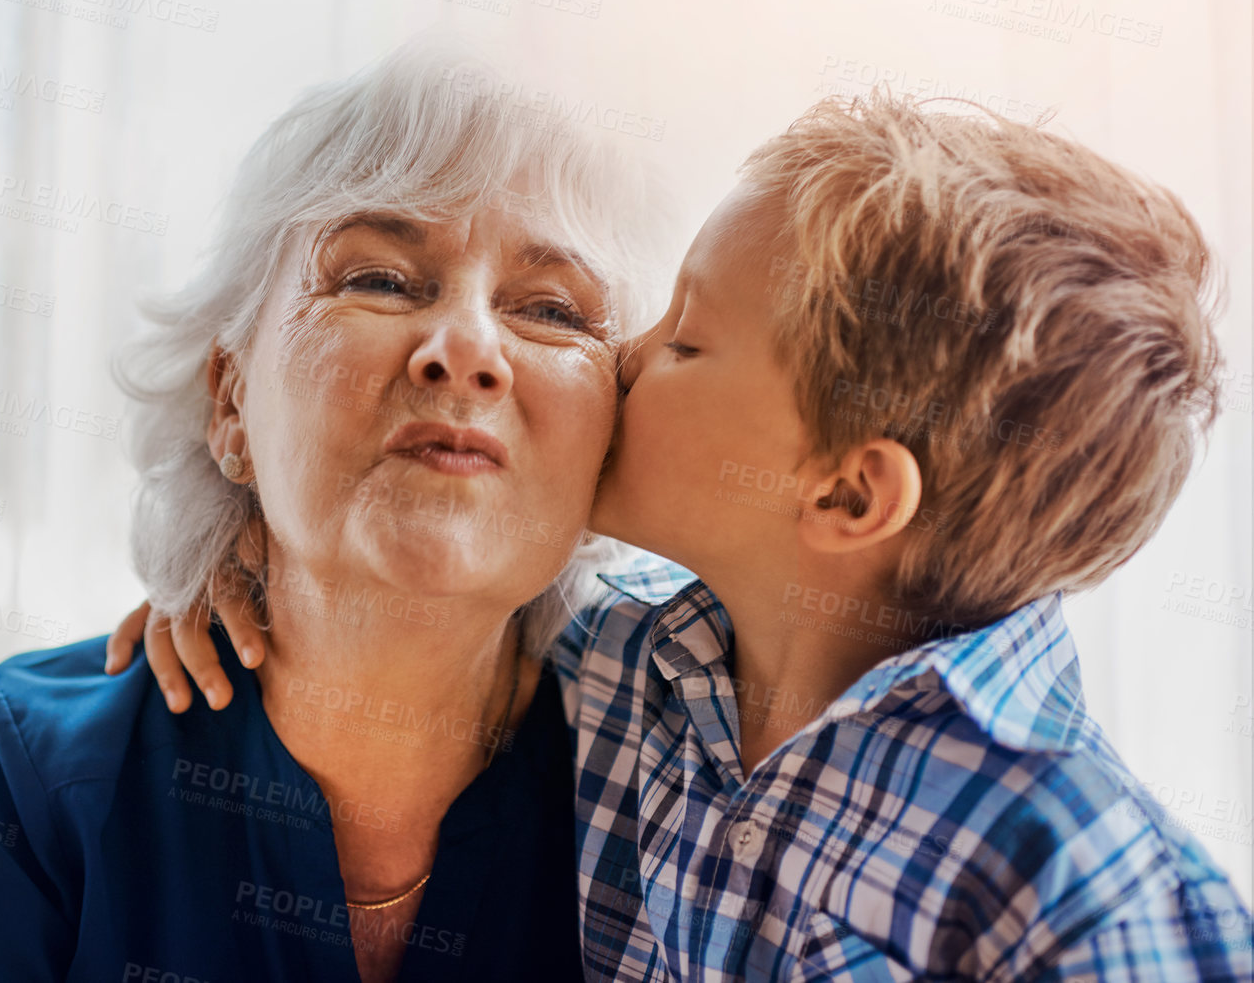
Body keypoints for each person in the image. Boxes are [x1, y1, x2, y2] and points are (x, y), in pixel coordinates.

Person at [118, 91, 1254, 980]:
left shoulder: (1076, 874)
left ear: (849, 498)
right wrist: (243, 564)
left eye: (687, 338)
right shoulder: (630, 668)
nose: (620, 358)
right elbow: (417, 604)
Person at [0, 36, 674, 983]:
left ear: (609, 445)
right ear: (228, 401)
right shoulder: (13, 783)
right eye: (378, 279)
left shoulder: (675, 791)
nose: (465, 347)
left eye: (550, 309)